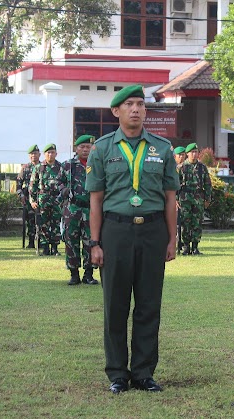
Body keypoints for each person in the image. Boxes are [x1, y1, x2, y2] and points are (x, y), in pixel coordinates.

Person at [85, 85, 179, 394]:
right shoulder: (102, 149)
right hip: (116, 231)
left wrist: (171, 239)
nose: (136, 109)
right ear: (117, 111)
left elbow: (169, 198)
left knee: (149, 305)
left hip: (153, 231)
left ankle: (143, 373)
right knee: (115, 305)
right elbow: (96, 201)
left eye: (140, 104)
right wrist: (95, 243)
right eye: (129, 104)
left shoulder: (162, 148)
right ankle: (117, 374)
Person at [62, 135, 98, 286]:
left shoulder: (97, 165)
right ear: (76, 148)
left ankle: (88, 274)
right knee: (71, 241)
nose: (85, 150)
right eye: (82, 147)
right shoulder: (68, 166)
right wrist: (63, 190)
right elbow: (58, 183)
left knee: (91, 241)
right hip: (73, 208)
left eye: (88, 147)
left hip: (91, 209)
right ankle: (74, 273)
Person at [29, 143, 65, 256]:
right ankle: (45, 247)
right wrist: (32, 200)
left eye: (52, 152)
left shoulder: (61, 167)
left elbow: (65, 183)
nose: (50, 154)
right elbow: (32, 185)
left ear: (56, 153)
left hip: (57, 198)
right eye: (48, 153)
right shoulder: (39, 167)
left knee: (55, 222)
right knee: (43, 223)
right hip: (43, 198)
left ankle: (54, 247)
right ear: (44, 154)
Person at [178, 142, 212, 255]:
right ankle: (186, 246)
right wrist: (175, 199)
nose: (194, 154)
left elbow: (207, 184)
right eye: (191, 152)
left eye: (195, 152)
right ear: (187, 154)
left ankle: (195, 247)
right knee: (185, 222)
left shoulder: (202, 167)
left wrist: (207, 198)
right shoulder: (181, 167)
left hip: (198, 198)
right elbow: (175, 185)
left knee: (197, 222)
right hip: (185, 198)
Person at [16, 144, 41, 249]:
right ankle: (31, 242)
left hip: (41, 198)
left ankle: (41, 242)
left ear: (39, 154)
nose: (33, 156)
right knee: (30, 221)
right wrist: (21, 195)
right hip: (28, 199)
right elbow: (18, 184)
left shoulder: (43, 166)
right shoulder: (25, 168)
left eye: (35, 154)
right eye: (31, 154)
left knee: (41, 220)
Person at [173, 146, 186, 254]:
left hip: (185, 199)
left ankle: (181, 244)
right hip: (173, 200)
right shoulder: (171, 168)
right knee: (176, 224)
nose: (181, 157)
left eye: (183, 155)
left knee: (182, 223)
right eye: (179, 155)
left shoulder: (186, 168)